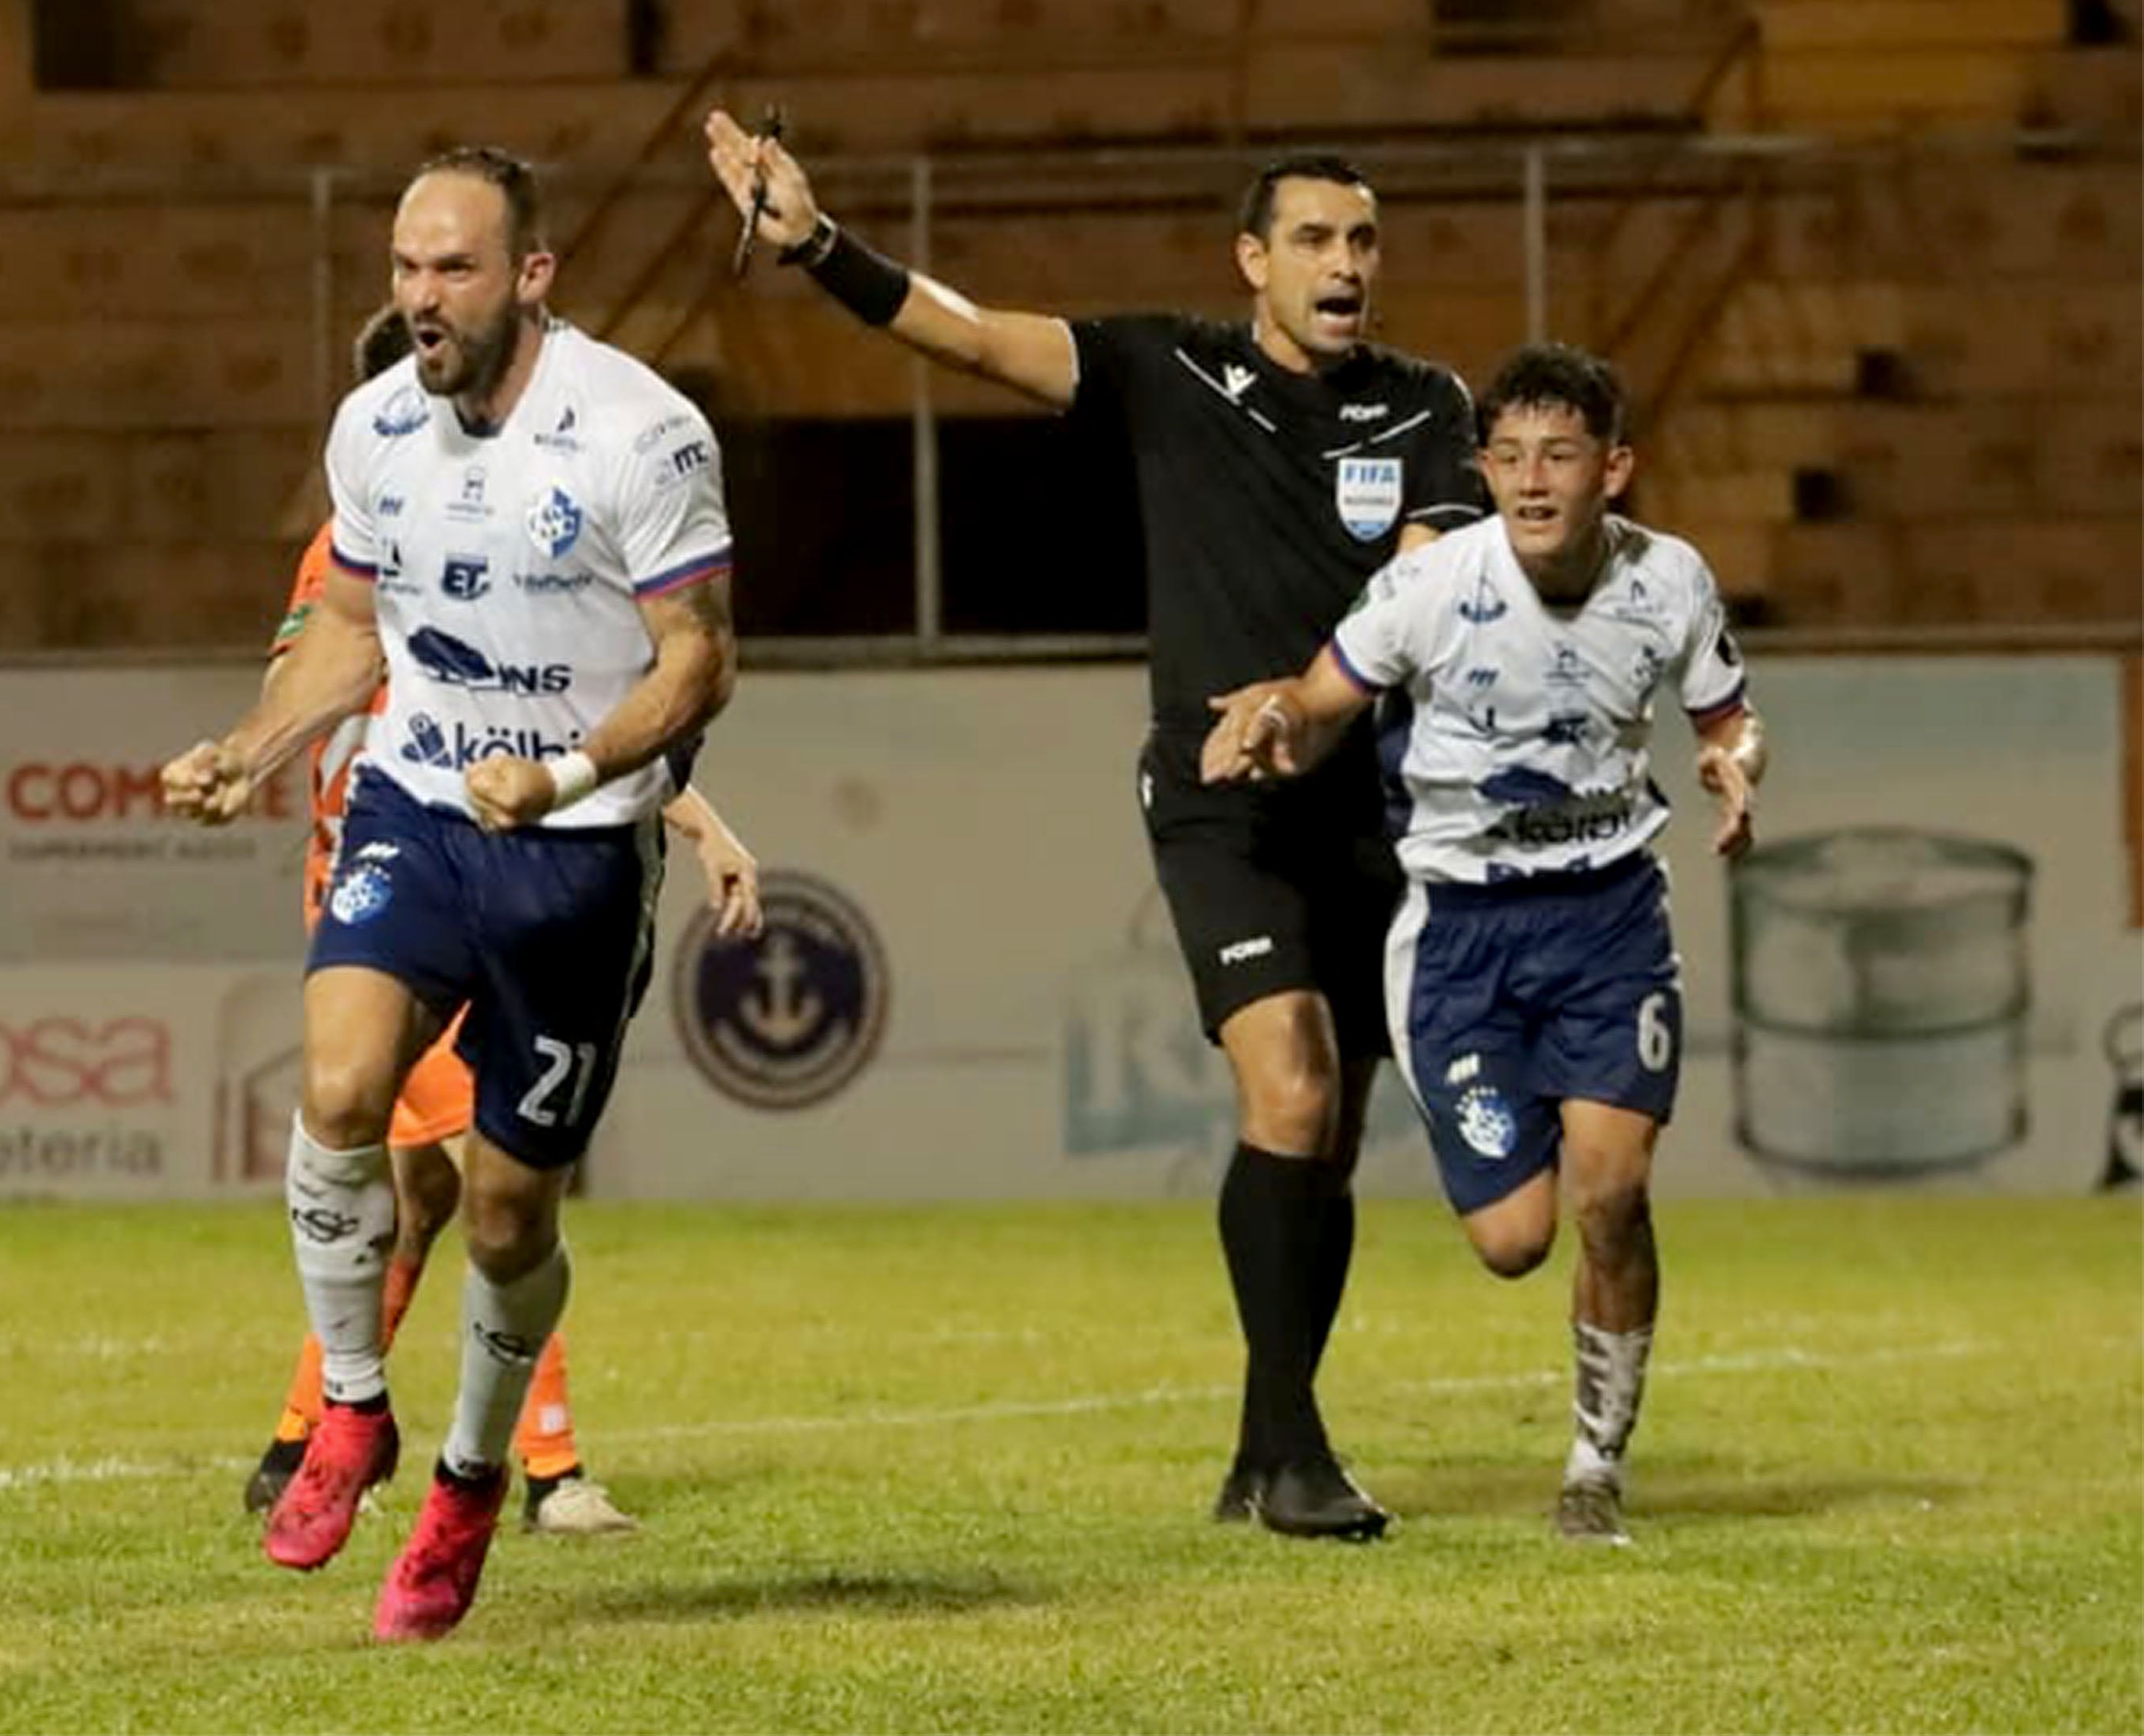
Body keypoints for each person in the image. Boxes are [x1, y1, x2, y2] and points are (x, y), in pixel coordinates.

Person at [705, 115, 1488, 1539]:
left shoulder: (1428, 405)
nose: (1345, 264)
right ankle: (1302, 1450)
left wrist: (1314, 707)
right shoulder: (1168, 367)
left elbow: (1421, 594)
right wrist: (819, 247)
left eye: (1364, 239)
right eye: (1313, 237)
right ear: (1252, 260)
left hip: (1369, 805)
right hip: (1213, 796)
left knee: (1330, 1126)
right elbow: (972, 336)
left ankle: (1266, 1446)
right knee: (1294, 1086)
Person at [162, 144, 738, 1641]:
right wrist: (252, 745)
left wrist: (562, 773)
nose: (422, 297)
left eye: (455, 269)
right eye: (407, 268)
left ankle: (474, 1480)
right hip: (419, 804)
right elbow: (352, 627)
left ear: (532, 274)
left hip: (576, 852)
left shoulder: (641, 431)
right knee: (339, 1089)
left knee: (500, 1215)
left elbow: (700, 661)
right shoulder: (375, 429)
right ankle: (350, 1412)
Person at [1200, 341, 1768, 1545]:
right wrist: (1273, 722)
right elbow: (1318, 696)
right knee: (1513, 1240)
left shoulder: (1669, 582)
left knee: (1611, 1195)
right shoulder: (1430, 587)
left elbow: (1728, 714)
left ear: (1613, 468)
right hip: (1460, 934)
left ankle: (1594, 1466)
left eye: (1558, 453)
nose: (1530, 478)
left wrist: (1732, 762)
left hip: (1612, 919)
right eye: (1507, 454)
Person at [241, 299, 766, 1538]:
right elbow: (332, 688)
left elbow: (548, 721)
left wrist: (697, 822)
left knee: (452, 1193)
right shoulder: (354, 553)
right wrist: (261, 738)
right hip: (409, 889)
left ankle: (307, 1435)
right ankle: (542, 1465)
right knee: (484, 1179)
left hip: (515, 859)